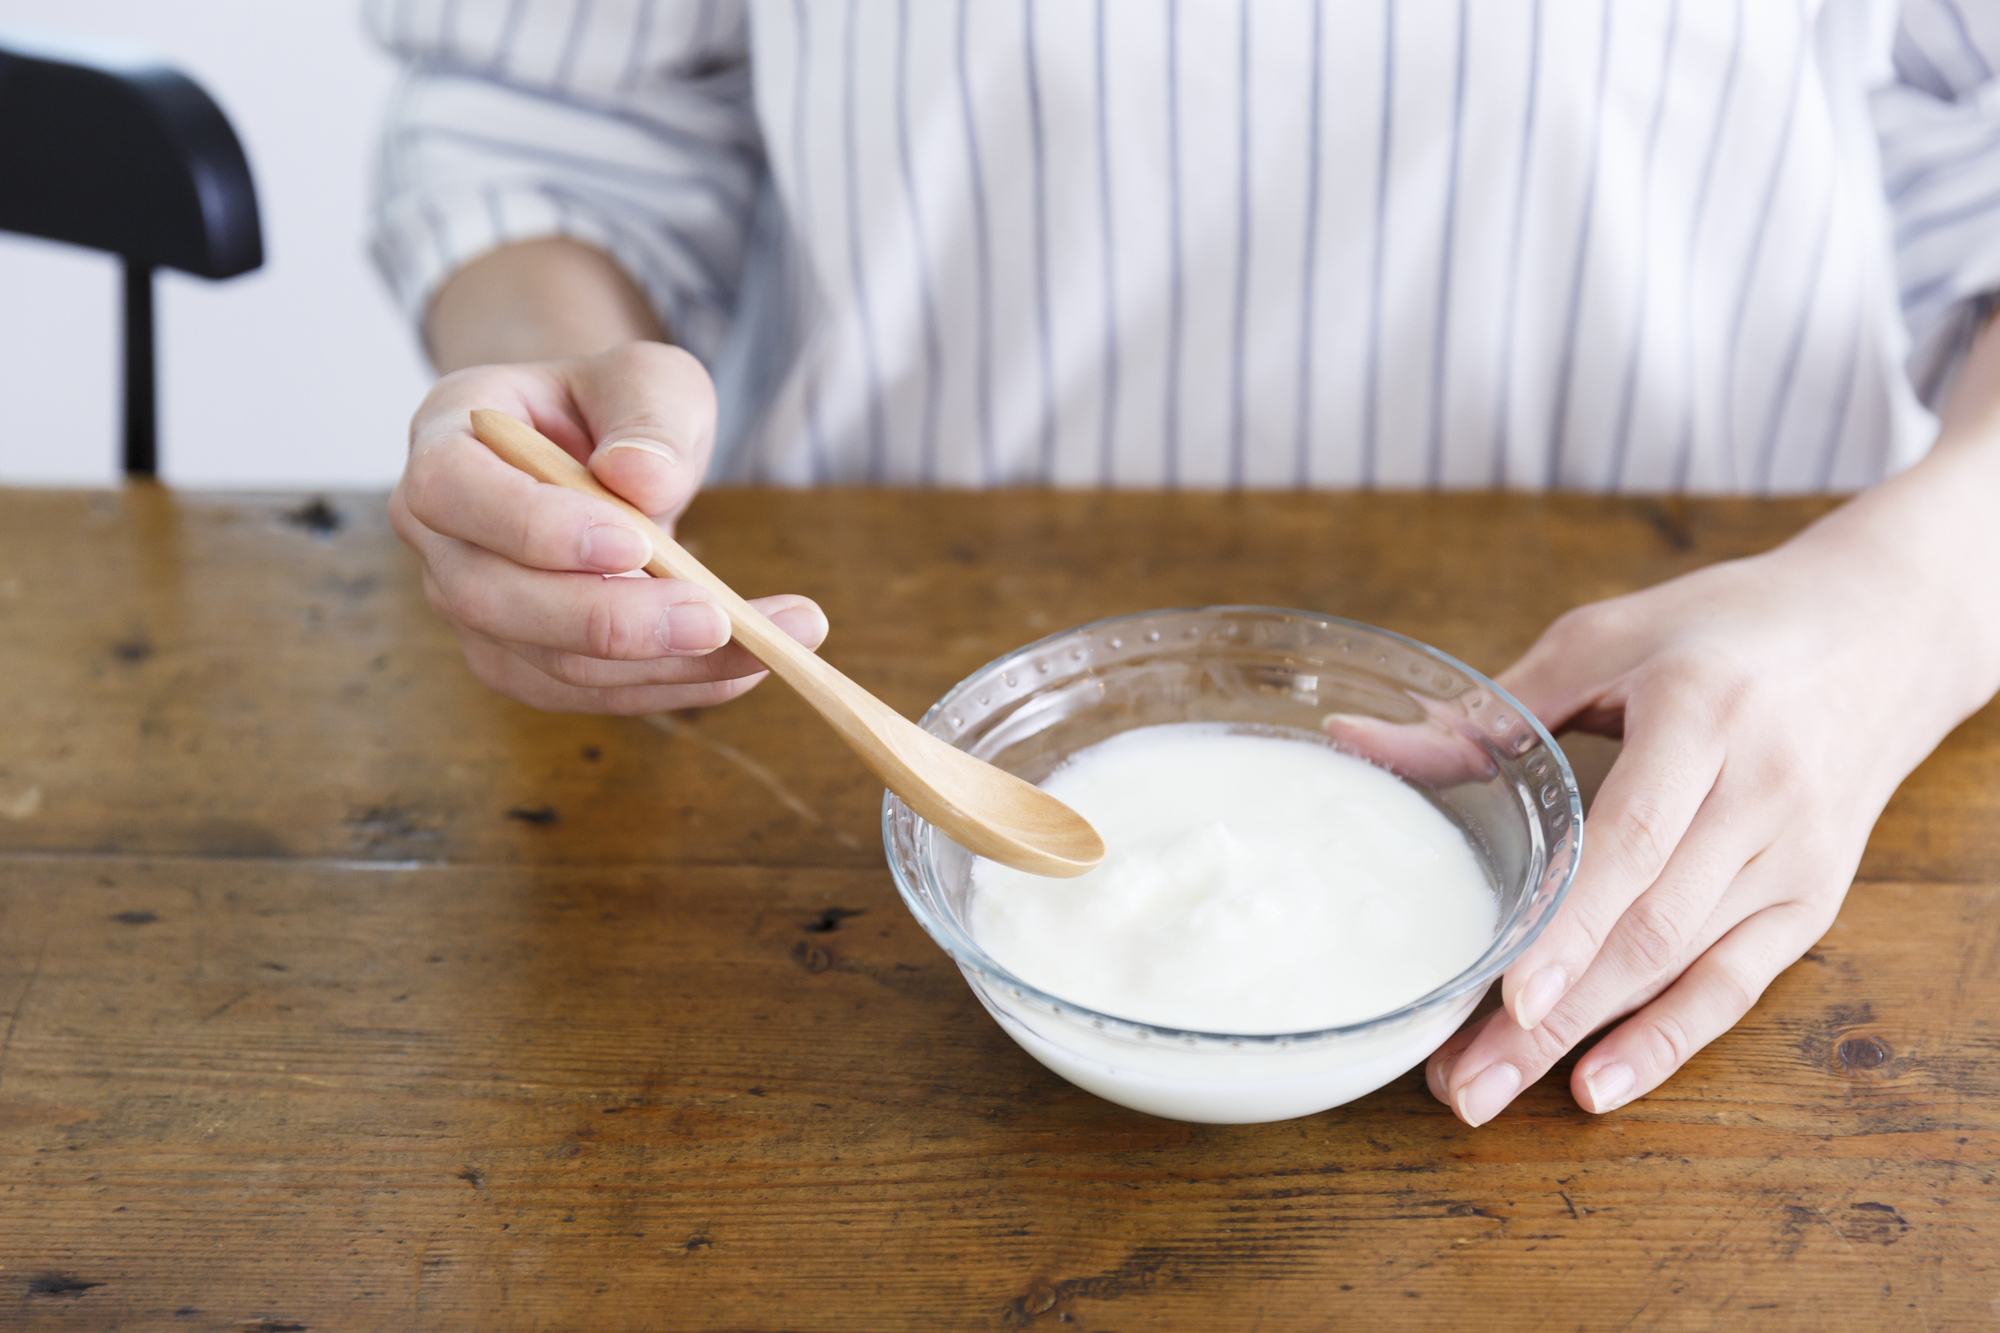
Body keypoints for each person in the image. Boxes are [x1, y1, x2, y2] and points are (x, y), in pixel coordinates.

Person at [366, 0, 2000, 1128]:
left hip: (1712, 716)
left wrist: (1914, 599)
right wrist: (569, 435)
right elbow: (553, 116)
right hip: (886, 639)